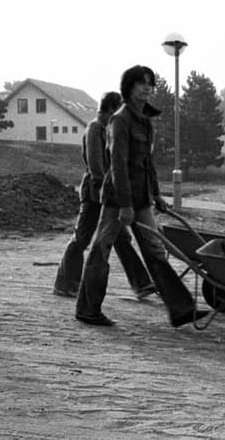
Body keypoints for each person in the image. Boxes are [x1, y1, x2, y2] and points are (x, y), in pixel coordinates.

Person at [75, 65, 209, 327]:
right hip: (118, 198)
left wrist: (156, 194)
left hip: (142, 198)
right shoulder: (120, 120)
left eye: (150, 83)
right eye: (141, 83)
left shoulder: (145, 120)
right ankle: (87, 309)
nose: (147, 88)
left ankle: (181, 309)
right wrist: (125, 205)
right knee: (100, 250)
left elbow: (148, 163)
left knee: (155, 250)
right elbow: (118, 165)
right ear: (129, 87)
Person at [53, 91, 156, 300]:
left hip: (109, 195)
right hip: (94, 195)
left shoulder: (108, 129)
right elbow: (95, 165)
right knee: (82, 238)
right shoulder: (95, 129)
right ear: (109, 109)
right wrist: (107, 188)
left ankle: (142, 284)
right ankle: (65, 283)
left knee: (122, 239)